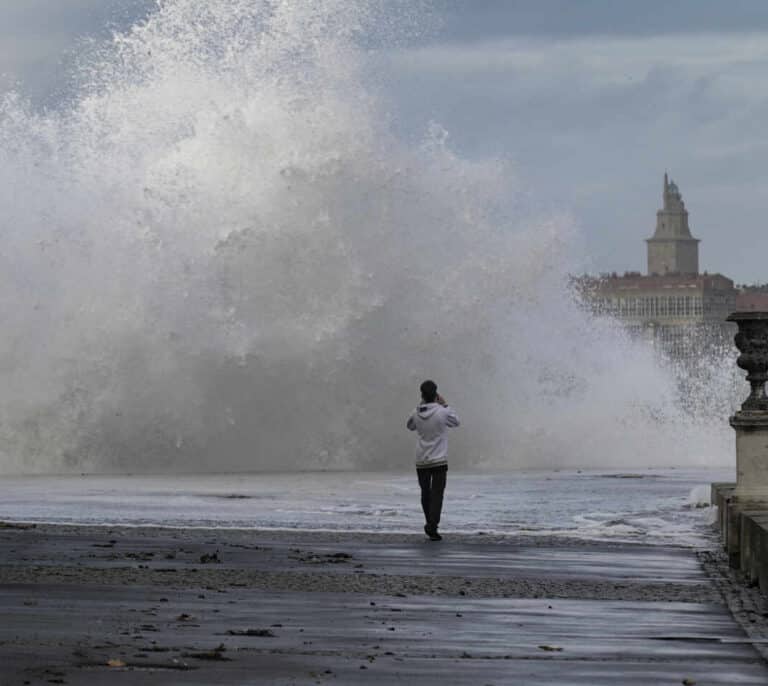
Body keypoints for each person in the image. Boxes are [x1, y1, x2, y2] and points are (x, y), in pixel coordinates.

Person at [406, 380, 460, 541]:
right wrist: (445, 404)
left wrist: (420, 406)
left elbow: (410, 426)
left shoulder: (416, 412)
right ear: (436, 394)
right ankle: (432, 526)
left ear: (422, 394)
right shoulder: (442, 411)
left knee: (425, 493)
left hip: (421, 459)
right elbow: (456, 422)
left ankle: (429, 523)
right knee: (437, 494)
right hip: (439, 460)